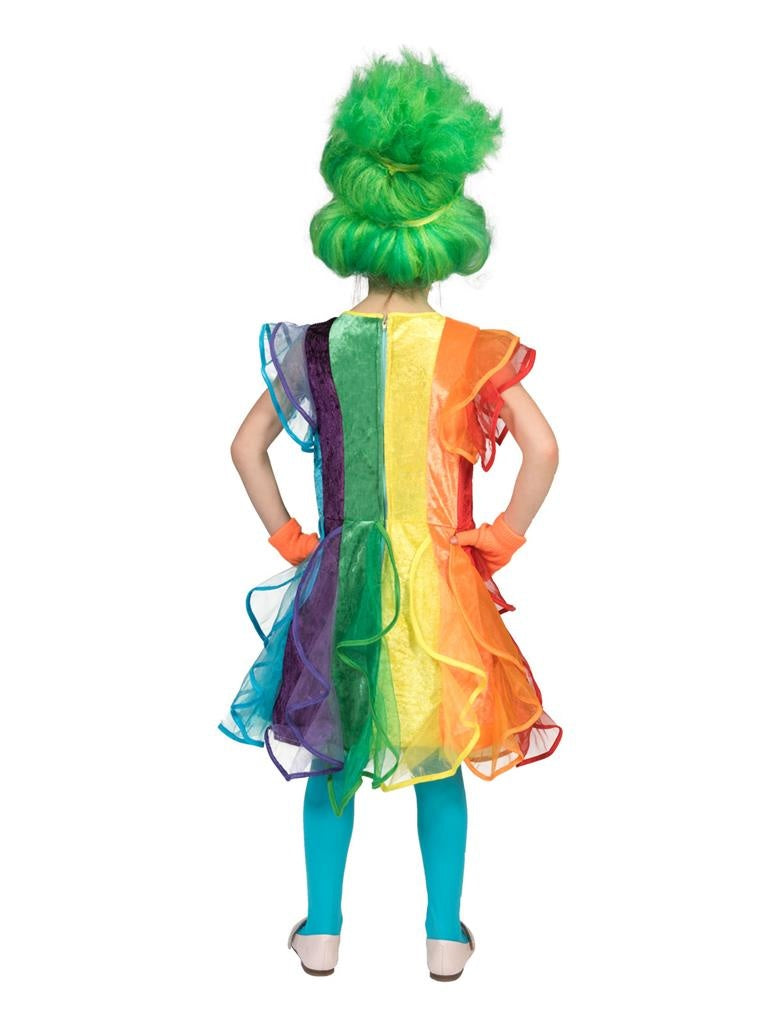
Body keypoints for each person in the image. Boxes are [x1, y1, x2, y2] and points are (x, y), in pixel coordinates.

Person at [220, 47, 563, 981]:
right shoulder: (473, 349)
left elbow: (246, 447)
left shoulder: (318, 347)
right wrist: (500, 537)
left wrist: (293, 539)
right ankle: (444, 936)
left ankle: (322, 931)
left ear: (353, 213)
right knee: (440, 758)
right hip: (441, 581)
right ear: (445, 217)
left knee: (331, 754)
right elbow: (542, 450)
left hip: (341, 578)